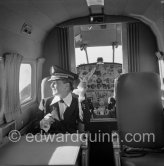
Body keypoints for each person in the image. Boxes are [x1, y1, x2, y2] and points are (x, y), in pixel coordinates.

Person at [39, 67, 91, 134]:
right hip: (52, 141)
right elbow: (37, 126)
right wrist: (43, 124)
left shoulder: (78, 101)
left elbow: (86, 121)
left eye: (55, 83)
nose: (51, 86)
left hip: (72, 140)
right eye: (51, 83)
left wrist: (81, 96)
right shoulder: (45, 102)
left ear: (66, 86)